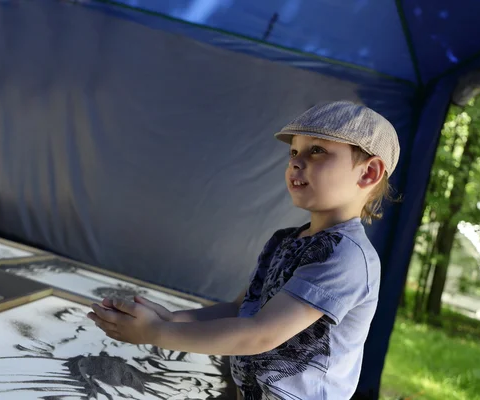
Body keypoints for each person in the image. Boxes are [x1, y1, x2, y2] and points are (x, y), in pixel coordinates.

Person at [87, 101, 401, 400]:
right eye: (294, 151)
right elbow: (242, 310)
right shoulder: (285, 241)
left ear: (368, 173)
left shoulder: (346, 256)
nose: (295, 161)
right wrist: (172, 319)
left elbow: (261, 333)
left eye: (317, 151)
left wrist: (156, 334)